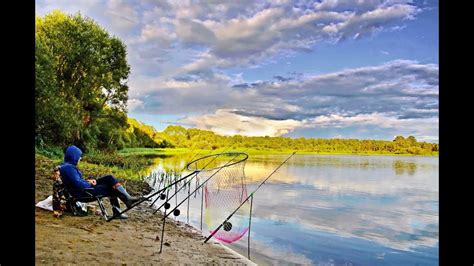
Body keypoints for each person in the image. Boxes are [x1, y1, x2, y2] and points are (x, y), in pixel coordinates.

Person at [59, 145, 142, 219]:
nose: (80, 158)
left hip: (83, 189)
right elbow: (79, 184)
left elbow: (76, 181)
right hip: (84, 193)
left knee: (109, 178)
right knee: (111, 187)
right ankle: (119, 209)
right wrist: (89, 183)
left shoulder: (66, 166)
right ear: (73, 156)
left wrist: (88, 181)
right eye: (79, 156)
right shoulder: (69, 168)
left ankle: (127, 199)